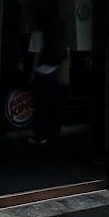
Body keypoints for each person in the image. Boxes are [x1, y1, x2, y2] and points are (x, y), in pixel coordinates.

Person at [31, 18, 66, 147]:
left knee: (40, 106)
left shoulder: (37, 34)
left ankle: (40, 136)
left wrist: (32, 75)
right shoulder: (57, 32)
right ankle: (54, 134)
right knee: (53, 105)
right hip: (55, 71)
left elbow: (35, 56)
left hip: (41, 72)